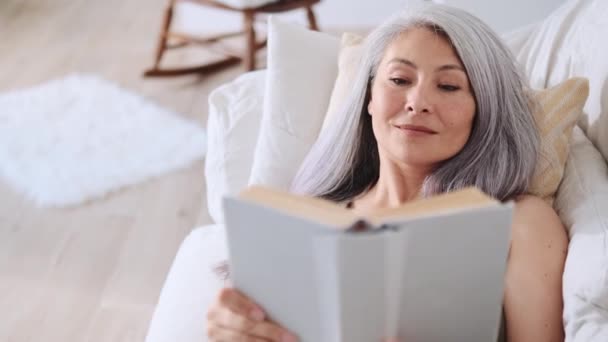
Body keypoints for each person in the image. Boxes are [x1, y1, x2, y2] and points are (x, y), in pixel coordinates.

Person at [205, 3, 568, 342]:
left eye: (448, 86)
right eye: (399, 80)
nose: (417, 102)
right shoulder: (309, 221)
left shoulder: (520, 224)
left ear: (485, 111)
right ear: (369, 98)